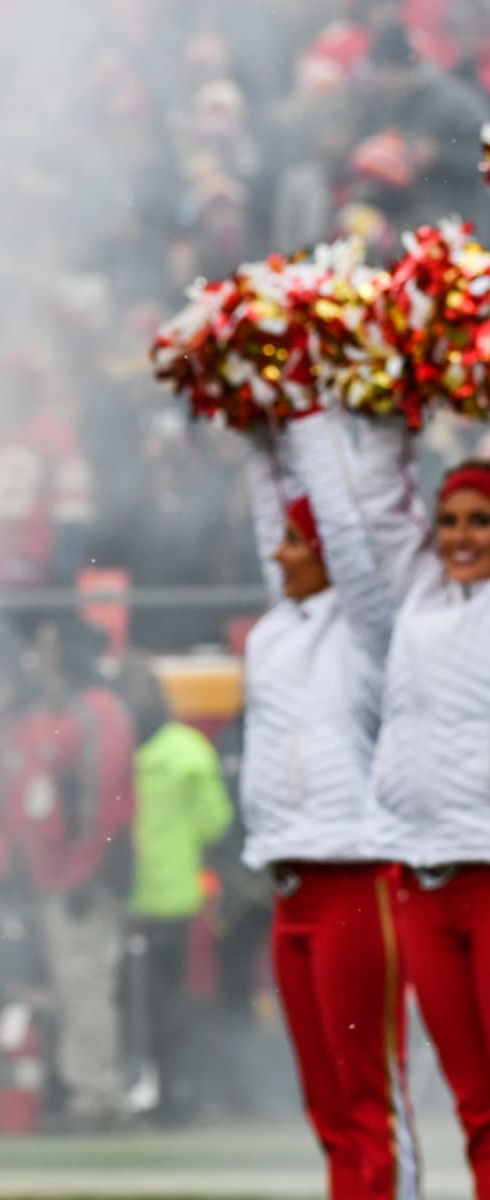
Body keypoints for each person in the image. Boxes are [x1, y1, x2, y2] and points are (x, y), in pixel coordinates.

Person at [236, 410, 419, 1200]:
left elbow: (342, 528)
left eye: (295, 543)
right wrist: (254, 425)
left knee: (368, 1094)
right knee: (327, 1104)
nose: (279, 552)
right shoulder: (275, 633)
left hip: (356, 877)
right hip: (289, 884)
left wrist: (308, 412)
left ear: (331, 560)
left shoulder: (370, 629)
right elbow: (274, 513)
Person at [314, 411, 490, 1200]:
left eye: (480, 521)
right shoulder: (418, 595)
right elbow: (383, 501)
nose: (459, 536)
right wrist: (393, 397)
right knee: (473, 1105)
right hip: (420, 878)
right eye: (449, 520)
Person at [0, 615, 134, 1128]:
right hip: (46, 879)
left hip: (79, 882)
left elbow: (104, 802)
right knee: (68, 987)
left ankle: (98, 1094)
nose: (41, 660)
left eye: (50, 648)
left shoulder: (96, 714)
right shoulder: (48, 715)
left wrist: (84, 874)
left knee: (86, 984)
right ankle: (81, 1088)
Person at [116, 653, 233, 1125]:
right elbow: (216, 823)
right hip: (177, 899)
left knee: (132, 1006)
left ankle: (150, 1092)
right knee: (175, 1006)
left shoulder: (119, 749)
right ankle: (177, 1094)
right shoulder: (189, 751)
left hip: (126, 898)